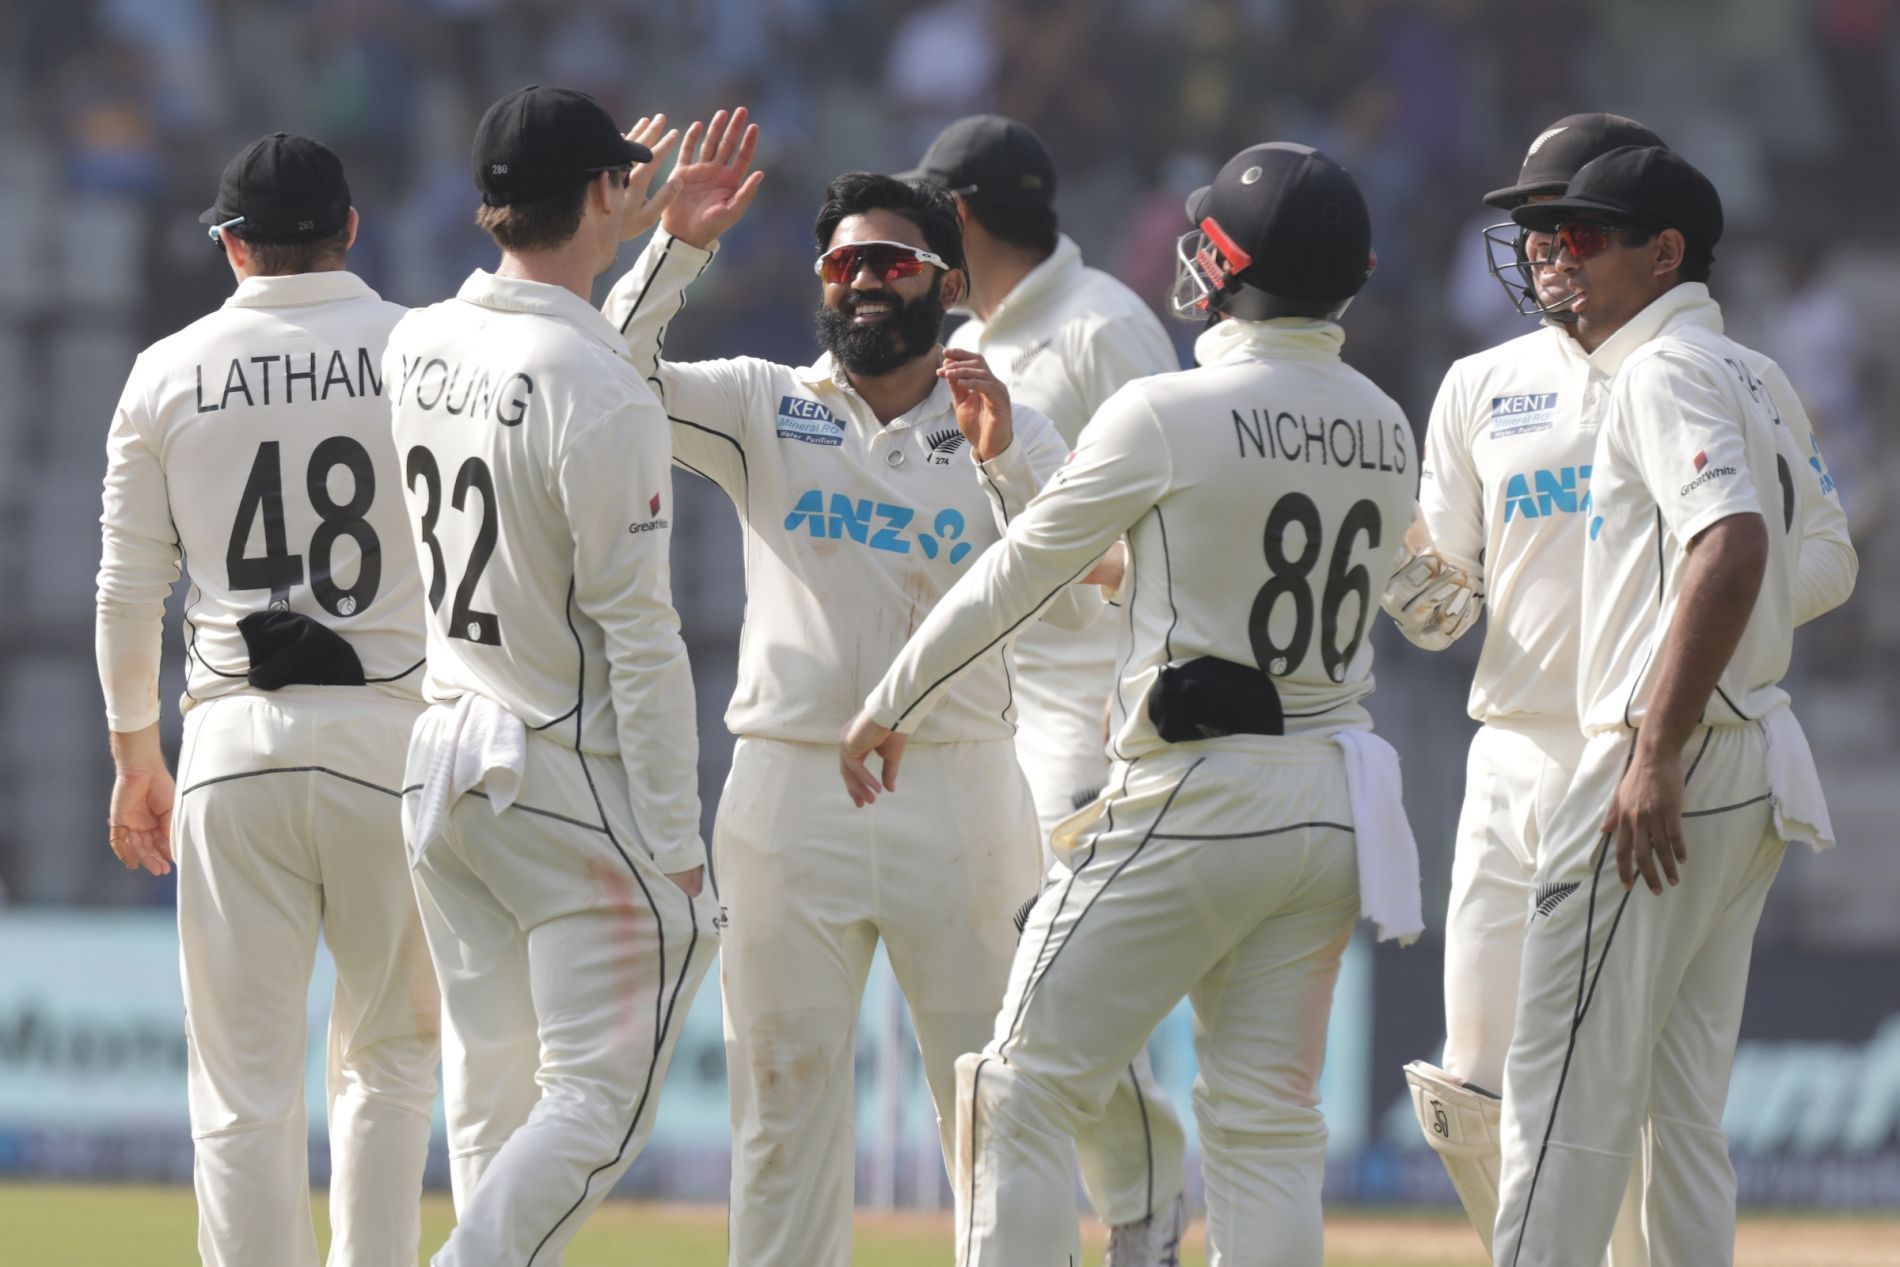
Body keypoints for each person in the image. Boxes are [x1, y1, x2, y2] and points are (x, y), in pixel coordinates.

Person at [843, 141, 1425, 1267]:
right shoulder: (1385, 422)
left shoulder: (1168, 408)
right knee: (1264, 1132)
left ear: (1227, 258)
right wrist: (1020, 454)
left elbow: (1029, 572)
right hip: (1332, 798)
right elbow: (1172, 565)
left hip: (1195, 790)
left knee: (1015, 1089)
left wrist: (890, 696)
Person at [602, 111, 1087, 1267]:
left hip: (962, 796)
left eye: (891, 261)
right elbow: (604, 374)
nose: (863, 280)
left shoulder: (1004, 416)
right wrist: (673, 249)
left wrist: (1009, 456)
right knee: (781, 1114)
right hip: (787, 794)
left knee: (995, 1108)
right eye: (843, 263)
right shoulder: (767, 402)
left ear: (947, 285)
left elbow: (1081, 592)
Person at [1385, 117, 1856, 1260]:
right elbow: (1438, 594)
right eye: (1538, 230)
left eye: (1572, 228)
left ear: (1659, 251)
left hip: (1640, 747)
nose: (1547, 250)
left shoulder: (1688, 371)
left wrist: (1678, 654)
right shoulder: (1484, 384)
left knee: (1610, 1101)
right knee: (1478, 1085)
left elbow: (1813, 555)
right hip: (1522, 749)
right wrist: (1385, 569)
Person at [95, 133, 437, 1267]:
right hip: (395, 738)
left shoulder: (166, 369)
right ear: (350, 229)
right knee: (388, 1061)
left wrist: (136, 750)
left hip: (234, 743)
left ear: (231, 245)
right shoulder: (424, 350)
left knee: (240, 1085)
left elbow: (127, 586)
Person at [387, 87, 715, 1267]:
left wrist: (665, 250)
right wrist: (676, 836)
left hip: (443, 760)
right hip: (559, 775)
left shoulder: (415, 339)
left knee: (494, 1088)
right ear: (601, 192)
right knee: (593, 1101)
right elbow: (642, 633)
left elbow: (557, 362)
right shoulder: (600, 389)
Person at [906, 112, 1189, 1263]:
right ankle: (1116, 1204)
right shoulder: (970, 332)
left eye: (932, 214)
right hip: (993, 709)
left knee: (1055, 993)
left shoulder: (1103, 330)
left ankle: (1141, 1202)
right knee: (1014, 994)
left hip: (1088, 718)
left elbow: (1168, 530)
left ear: (960, 214)